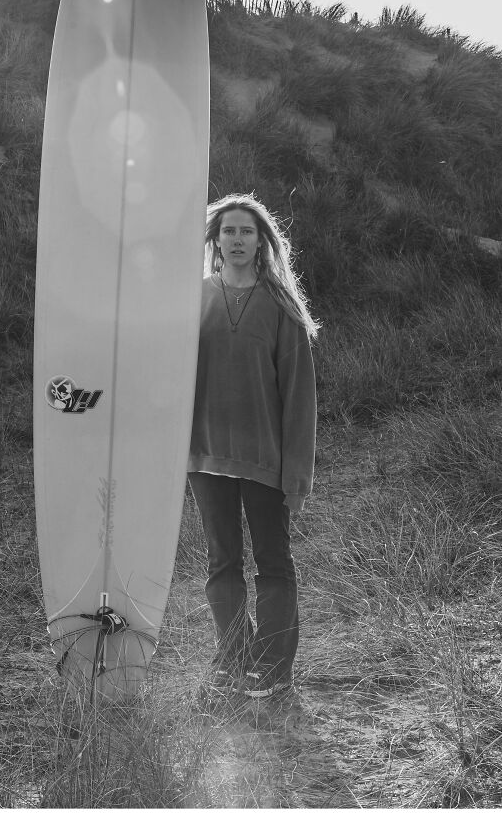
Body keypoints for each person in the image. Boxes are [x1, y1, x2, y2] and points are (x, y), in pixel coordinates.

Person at [188, 192, 319, 710]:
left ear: (261, 240)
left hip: (266, 459)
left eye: (246, 231)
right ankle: (233, 657)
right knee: (222, 563)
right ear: (215, 241)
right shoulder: (193, 297)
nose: (237, 239)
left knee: (273, 564)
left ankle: (273, 667)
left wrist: (297, 477)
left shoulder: (281, 307)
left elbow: (299, 399)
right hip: (206, 457)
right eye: (228, 231)